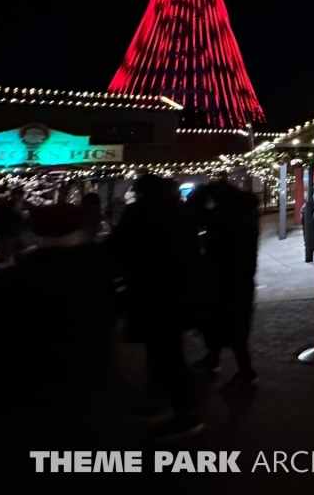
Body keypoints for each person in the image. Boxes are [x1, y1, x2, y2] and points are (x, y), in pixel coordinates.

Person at [106, 175, 203, 440]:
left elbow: (115, 250)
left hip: (153, 295)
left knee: (165, 354)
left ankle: (183, 413)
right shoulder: (180, 212)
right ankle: (166, 402)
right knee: (166, 351)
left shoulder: (140, 213)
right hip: (179, 294)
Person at [188, 176, 260, 386]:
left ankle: (246, 370)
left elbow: (195, 215)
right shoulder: (244, 212)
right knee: (225, 323)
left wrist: (199, 194)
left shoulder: (226, 216)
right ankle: (215, 359)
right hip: (239, 278)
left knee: (226, 324)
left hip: (224, 278)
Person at [0, 186, 29, 264]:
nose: (20, 197)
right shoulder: (4, 208)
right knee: (9, 261)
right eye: (18, 194)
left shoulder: (23, 206)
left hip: (14, 238)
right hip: (9, 239)